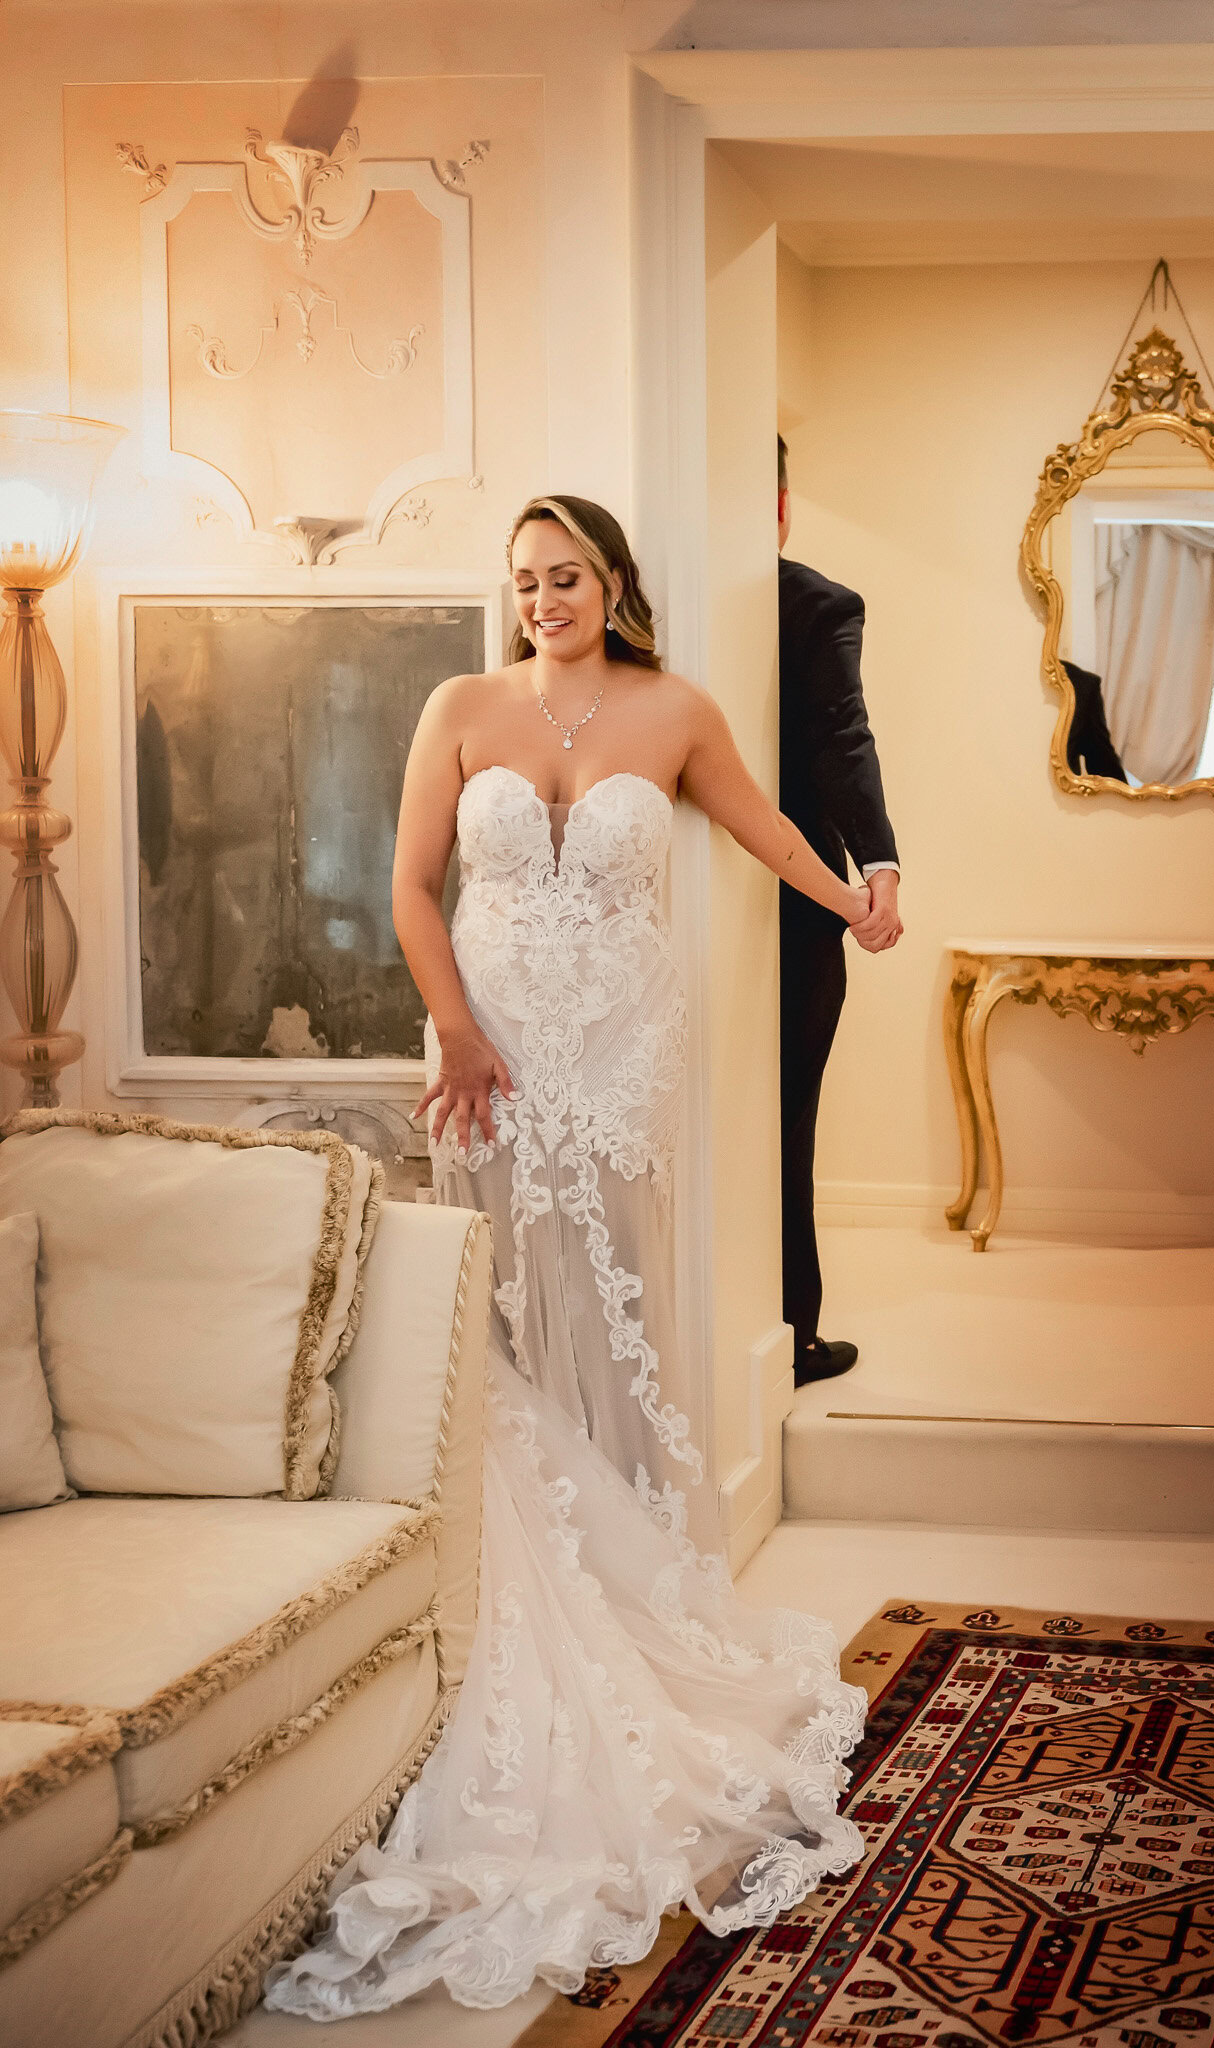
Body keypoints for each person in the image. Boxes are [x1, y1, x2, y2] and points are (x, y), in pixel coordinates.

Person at [265, 495, 875, 2021]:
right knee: (487, 1322)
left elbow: (764, 829)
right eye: (526, 579)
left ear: (614, 580)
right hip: (484, 1058)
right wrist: (458, 1031)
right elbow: (414, 886)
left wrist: (854, 898)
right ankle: (490, 1592)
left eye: (569, 575)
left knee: (609, 1318)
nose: (544, 597)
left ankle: (623, 1599)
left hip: (615, 1062)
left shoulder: (676, 709)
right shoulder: (458, 707)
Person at [777, 437, 902, 1390]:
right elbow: (840, 737)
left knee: (779, 1116)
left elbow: (840, 737)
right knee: (788, 1117)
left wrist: (877, 862)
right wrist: (873, 875)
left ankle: (783, 1326)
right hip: (792, 903)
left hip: (799, 902)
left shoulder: (818, 606)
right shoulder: (816, 601)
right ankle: (788, 1333)